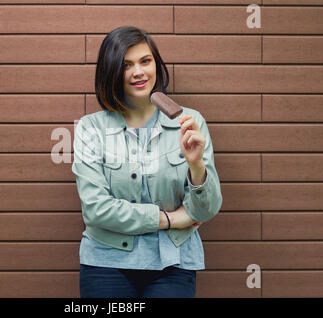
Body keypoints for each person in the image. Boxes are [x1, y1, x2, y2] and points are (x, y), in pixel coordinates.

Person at [71, 25, 223, 298]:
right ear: (111, 72)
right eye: (126, 65)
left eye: (145, 61)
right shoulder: (89, 129)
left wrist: (197, 165)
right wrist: (167, 218)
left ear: (156, 64)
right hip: (105, 262)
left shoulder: (189, 123)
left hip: (174, 261)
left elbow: (206, 209)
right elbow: (95, 209)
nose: (138, 72)